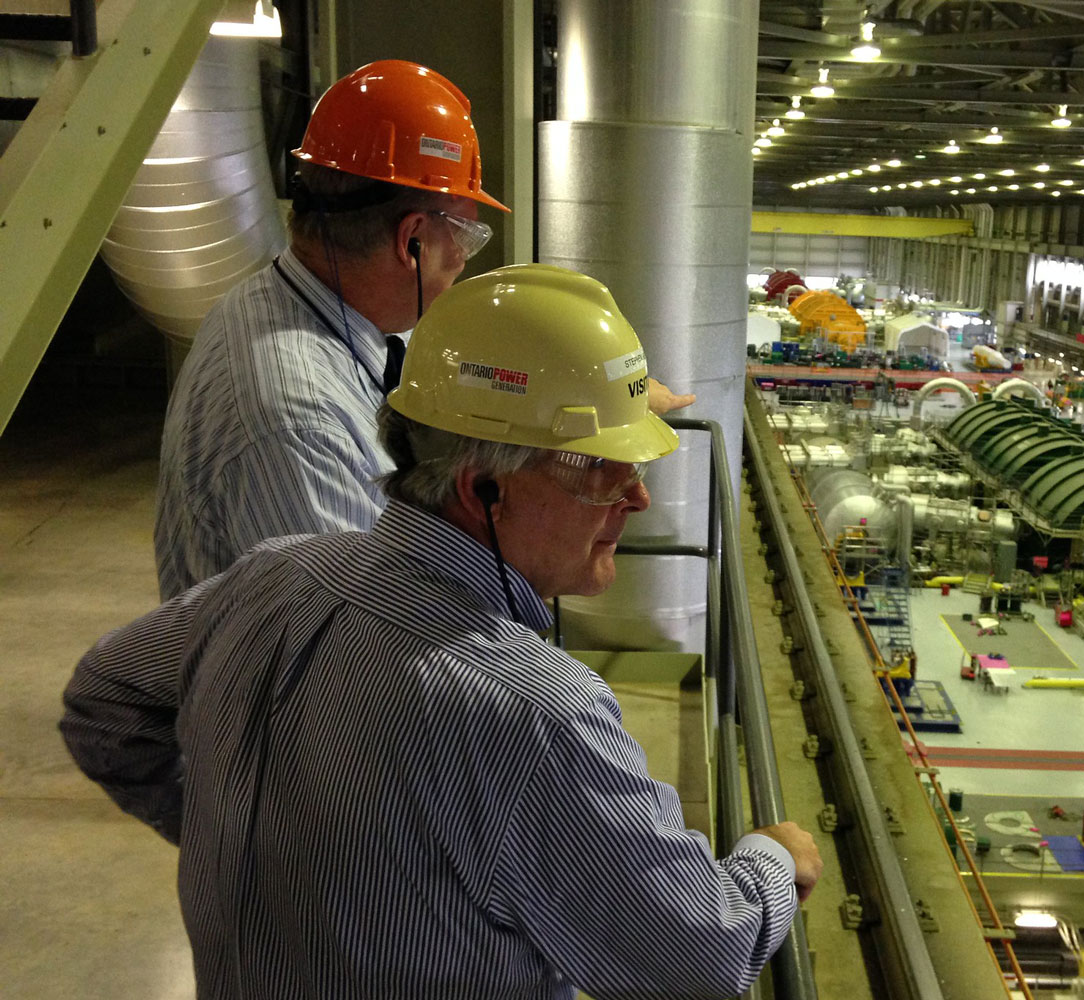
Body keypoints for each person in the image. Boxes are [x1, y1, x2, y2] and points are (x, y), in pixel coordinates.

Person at [62, 264, 819, 999]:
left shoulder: (273, 576)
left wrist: (235, 842)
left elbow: (104, 698)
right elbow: (697, 954)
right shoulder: (537, 713)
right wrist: (770, 863)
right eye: (602, 470)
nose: (639, 498)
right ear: (482, 486)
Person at [154, 59, 693, 600]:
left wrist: (600, 399)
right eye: (465, 234)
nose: (463, 258)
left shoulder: (314, 310)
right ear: (411, 239)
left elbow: (456, 378)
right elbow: (372, 631)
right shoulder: (301, 422)